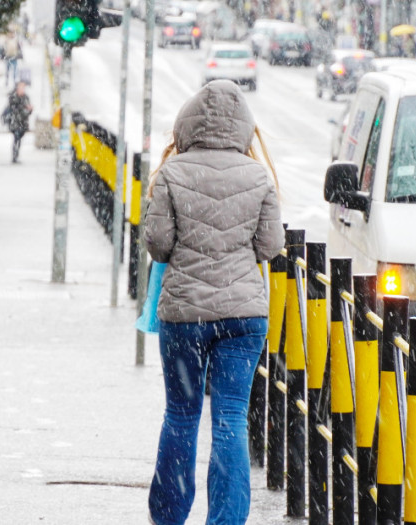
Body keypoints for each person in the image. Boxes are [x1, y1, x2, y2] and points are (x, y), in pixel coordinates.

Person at [144, 80, 284, 525]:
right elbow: (270, 245)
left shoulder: (172, 173)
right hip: (243, 317)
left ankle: (168, 515)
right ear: (244, 126)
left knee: (182, 416)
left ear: (187, 122)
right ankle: (225, 520)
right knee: (230, 418)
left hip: (185, 315)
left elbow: (158, 245)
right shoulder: (259, 176)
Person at [5, 81, 33, 163]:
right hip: (15, 122)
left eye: (23, 87)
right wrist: (24, 109)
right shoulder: (14, 97)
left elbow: (27, 111)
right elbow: (14, 109)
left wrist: (29, 110)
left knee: (19, 138)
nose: (22, 89)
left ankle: (16, 155)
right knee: (16, 138)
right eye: (21, 87)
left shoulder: (26, 97)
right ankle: (14, 156)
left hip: (23, 122)